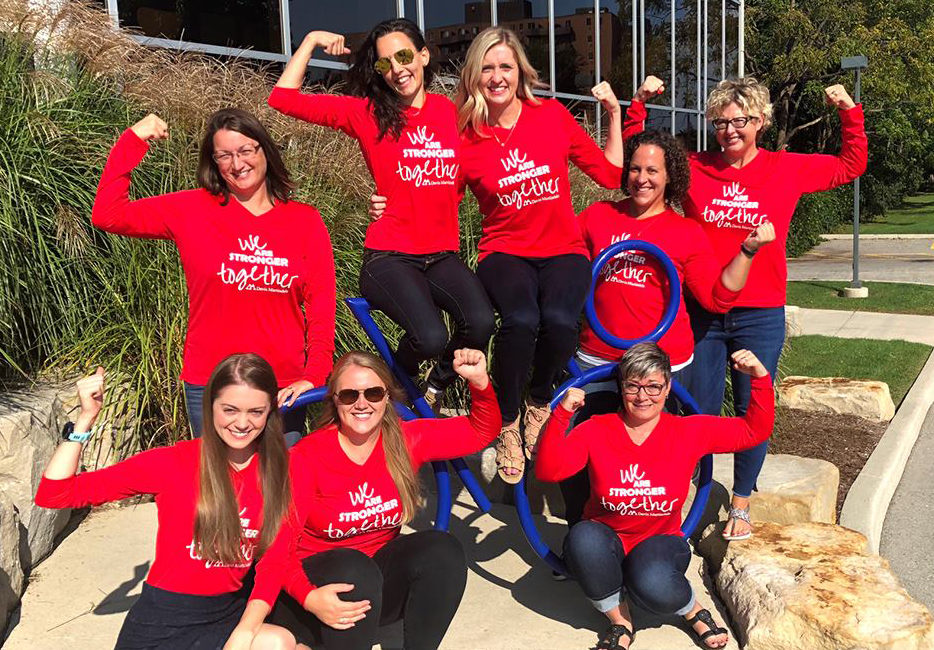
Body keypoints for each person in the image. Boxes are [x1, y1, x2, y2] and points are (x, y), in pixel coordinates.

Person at [371, 27, 625, 482]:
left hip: (562, 250)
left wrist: (615, 115)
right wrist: (387, 203)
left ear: (520, 71)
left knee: (563, 321)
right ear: (473, 76)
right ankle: (508, 422)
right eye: (486, 67)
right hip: (504, 253)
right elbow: (432, 189)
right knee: (522, 320)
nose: (496, 76)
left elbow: (608, 176)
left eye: (505, 66)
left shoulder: (550, 116)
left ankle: (538, 400)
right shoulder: (464, 135)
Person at [626, 75, 867, 539]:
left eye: (740, 120)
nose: (729, 130)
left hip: (759, 313)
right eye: (720, 122)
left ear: (760, 120)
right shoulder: (694, 168)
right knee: (696, 410)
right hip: (702, 312)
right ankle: (687, 495)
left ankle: (740, 503)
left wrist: (847, 112)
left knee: (751, 405)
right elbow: (642, 159)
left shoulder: (785, 168)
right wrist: (637, 105)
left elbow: (849, 165)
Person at [268, 20, 495, 414]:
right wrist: (310, 40)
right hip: (389, 256)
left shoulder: (453, 115)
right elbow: (282, 99)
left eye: (405, 56)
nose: (397, 68)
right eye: (384, 63)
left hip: (441, 255)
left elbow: (470, 175)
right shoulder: (368, 114)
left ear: (424, 56)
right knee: (430, 337)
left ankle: (435, 385)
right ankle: (398, 383)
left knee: (480, 321)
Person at [561, 128, 776, 528]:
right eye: (636, 169)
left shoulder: (685, 232)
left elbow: (716, 298)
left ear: (670, 176)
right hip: (598, 360)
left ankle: (653, 545)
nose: (642, 178)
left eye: (653, 170)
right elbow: (561, 259)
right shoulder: (598, 216)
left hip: (663, 367)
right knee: (578, 456)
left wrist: (747, 250)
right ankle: (583, 541)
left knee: (656, 465)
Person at [91, 108, 336, 438]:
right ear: (214, 162)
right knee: (220, 488)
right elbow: (108, 215)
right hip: (211, 383)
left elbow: (322, 307)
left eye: (246, 150)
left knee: (283, 487)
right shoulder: (192, 210)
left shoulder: (305, 221)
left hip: (281, 388)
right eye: (225, 155)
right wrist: (133, 140)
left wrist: (315, 375)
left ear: (265, 150)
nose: (237, 164)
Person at [34, 355, 298, 650]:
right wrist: (85, 419)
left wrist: (245, 632)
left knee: (277, 641)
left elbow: (274, 563)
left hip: (229, 613)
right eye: (230, 409)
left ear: (269, 412)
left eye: (255, 412)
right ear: (210, 407)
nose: (242, 422)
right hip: (165, 617)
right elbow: (55, 494)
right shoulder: (173, 463)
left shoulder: (279, 471)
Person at [248, 348, 500, 650]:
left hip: (372, 589)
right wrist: (309, 598)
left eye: (374, 393)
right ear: (335, 400)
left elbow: (480, 431)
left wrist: (480, 383)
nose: (362, 403)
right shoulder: (306, 458)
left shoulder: (406, 441)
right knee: (355, 568)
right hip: (307, 595)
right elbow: (276, 548)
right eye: (350, 395)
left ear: (387, 398)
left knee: (442, 550)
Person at [536, 343, 774, 650]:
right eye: (633, 386)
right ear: (621, 387)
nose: (643, 396)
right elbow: (548, 471)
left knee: (651, 582)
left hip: (659, 540)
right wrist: (560, 416)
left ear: (668, 387)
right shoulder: (596, 429)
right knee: (581, 540)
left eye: (653, 386)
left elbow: (755, 431)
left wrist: (759, 377)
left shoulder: (689, 431)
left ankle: (692, 610)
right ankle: (621, 623)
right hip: (606, 536)